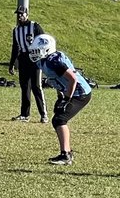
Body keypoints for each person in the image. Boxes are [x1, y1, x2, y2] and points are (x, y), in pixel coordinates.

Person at [30, 33, 93, 166]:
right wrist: (61, 96)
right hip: (70, 92)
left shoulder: (54, 61)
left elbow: (72, 79)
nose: (34, 53)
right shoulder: (43, 61)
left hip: (80, 93)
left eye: (37, 50)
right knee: (58, 119)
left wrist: (67, 99)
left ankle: (66, 155)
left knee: (59, 119)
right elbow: (57, 80)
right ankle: (66, 152)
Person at [9, 7, 47, 123]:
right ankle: (25, 114)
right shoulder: (16, 30)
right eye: (18, 14)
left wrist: (44, 58)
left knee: (36, 86)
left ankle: (43, 114)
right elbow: (15, 48)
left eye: (21, 14)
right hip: (23, 59)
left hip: (35, 59)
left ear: (27, 14)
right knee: (25, 87)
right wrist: (12, 64)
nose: (19, 16)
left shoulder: (35, 26)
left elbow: (44, 41)